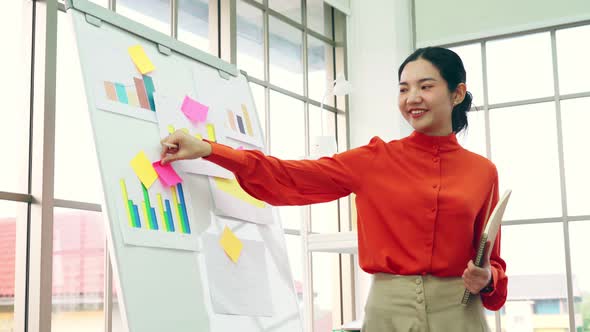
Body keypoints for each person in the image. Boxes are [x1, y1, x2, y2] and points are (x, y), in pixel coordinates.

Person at [160, 47, 507, 331]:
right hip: (388, 312)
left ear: (457, 92)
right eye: (403, 89)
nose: (412, 98)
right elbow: (290, 177)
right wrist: (209, 149)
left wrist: (487, 277)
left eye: (425, 86)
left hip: (459, 314)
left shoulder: (483, 173)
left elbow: (492, 261)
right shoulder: (374, 159)